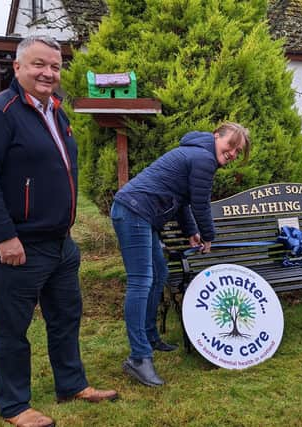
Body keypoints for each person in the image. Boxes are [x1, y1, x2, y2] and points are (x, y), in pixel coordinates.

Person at [0, 35, 118, 427]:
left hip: (59, 242)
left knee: (66, 315)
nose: (48, 72)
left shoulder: (56, 110)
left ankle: (71, 384)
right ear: (17, 67)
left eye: (54, 66)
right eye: (38, 64)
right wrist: (4, 235)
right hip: (17, 242)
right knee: (13, 326)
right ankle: (15, 405)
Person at [111, 122, 250, 386]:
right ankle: (139, 357)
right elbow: (200, 203)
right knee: (141, 281)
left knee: (159, 273)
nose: (232, 153)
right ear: (215, 136)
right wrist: (209, 235)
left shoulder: (197, 154)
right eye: (230, 145)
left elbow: (184, 201)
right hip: (133, 212)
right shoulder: (203, 158)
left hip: (138, 214)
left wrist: (192, 232)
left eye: (237, 151)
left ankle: (150, 336)